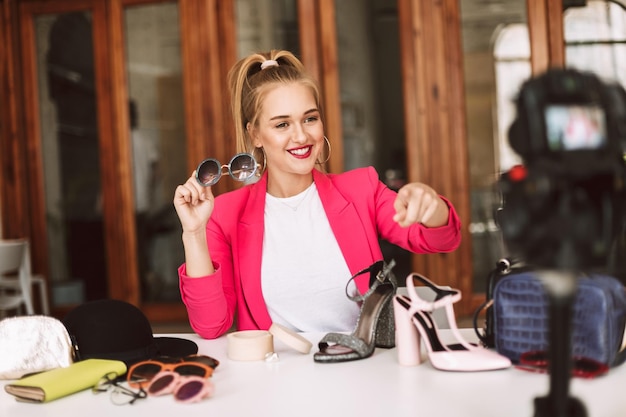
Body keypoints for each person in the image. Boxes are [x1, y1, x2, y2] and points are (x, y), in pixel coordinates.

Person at [173, 50, 461, 340]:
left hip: (359, 367)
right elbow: (211, 326)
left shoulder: (362, 188)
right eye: (282, 124)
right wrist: (194, 233)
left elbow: (442, 239)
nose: (301, 136)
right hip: (271, 378)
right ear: (255, 135)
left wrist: (431, 205)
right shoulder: (224, 214)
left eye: (309, 119)